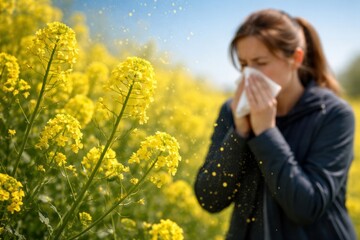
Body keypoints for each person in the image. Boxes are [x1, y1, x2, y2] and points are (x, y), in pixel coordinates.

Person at [194, 8, 357, 240]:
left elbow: (307, 207)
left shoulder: (333, 115)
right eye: (243, 64)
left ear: (295, 59)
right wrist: (240, 132)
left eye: (260, 62)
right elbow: (209, 198)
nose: (250, 74)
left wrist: (266, 132)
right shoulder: (232, 111)